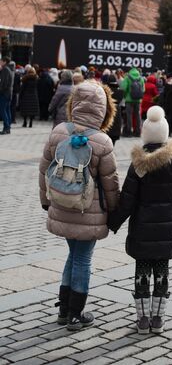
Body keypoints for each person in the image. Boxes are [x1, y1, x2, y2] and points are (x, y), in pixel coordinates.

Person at [39, 81, 119, 331]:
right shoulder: (102, 142)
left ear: (74, 103)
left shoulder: (59, 131)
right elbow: (110, 183)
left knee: (72, 255)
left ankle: (64, 310)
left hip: (61, 204)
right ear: (103, 110)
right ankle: (76, 313)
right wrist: (114, 212)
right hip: (89, 212)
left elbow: (43, 170)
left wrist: (45, 201)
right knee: (83, 259)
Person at [108, 106, 172, 335]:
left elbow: (127, 200)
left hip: (142, 231)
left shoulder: (138, 166)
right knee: (162, 273)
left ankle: (142, 320)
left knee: (142, 273)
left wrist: (113, 223)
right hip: (167, 231)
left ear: (146, 134)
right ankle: (158, 319)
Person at [122, 67, 145, 137]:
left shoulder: (127, 77)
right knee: (137, 116)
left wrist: (125, 96)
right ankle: (138, 132)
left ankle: (129, 132)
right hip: (138, 100)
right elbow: (143, 90)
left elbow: (124, 88)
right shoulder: (141, 78)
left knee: (129, 116)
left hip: (129, 100)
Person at [106, 74, 124, 146]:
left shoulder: (105, 91)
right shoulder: (120, 92)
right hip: (117, 113)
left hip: (107, 112)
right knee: (113, 139)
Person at [0, 57, 13, 135]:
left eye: (1, 61)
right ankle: (8, 127)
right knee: (7, 110)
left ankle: (6, 127)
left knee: (3, 110)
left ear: (4, 62)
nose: (0, 62)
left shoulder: (5, 70)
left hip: (4, 94)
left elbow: (3, 84)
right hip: (7, 93)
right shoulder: (8, 69)